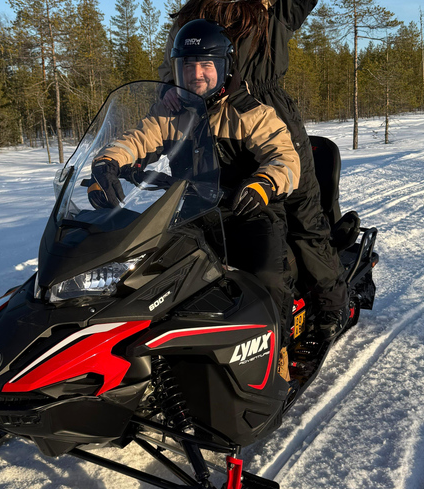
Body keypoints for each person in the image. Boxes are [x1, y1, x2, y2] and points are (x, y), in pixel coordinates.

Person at [89, 19, 298, 382]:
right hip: (193, 212)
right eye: (188, 65)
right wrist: (107, 163)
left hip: (248, 212)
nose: (196, 74)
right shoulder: (172, 114)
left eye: (205, 64)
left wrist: (262, 185)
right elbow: (135, 139)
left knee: (266, 277)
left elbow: (285, 158)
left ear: (223, 67)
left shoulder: (251, 113)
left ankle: (277, 349)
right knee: (144, 273)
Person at [158, 0, 350, 342]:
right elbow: (168, 66)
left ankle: (330, 304)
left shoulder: (272, 11)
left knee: (304, 218)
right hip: (209, 124)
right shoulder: (190, 14)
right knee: (201, 220)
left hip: (270, 122)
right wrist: (167, 89)